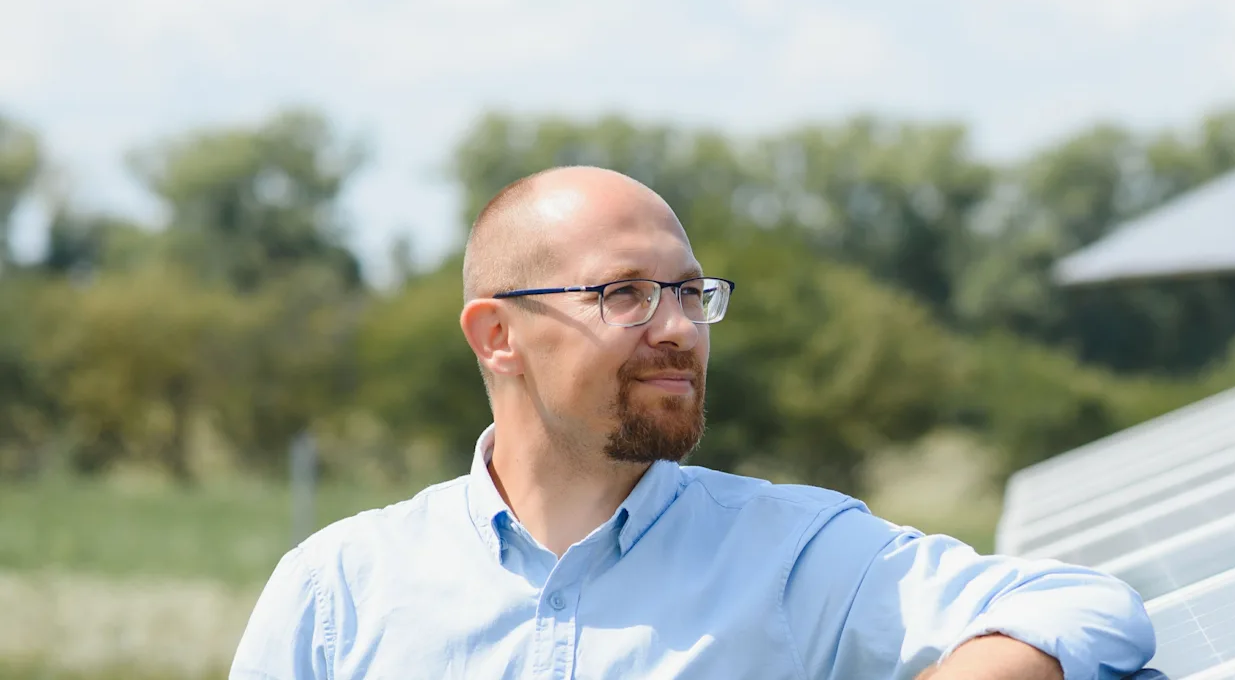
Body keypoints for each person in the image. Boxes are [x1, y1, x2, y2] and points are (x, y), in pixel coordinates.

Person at [229, 166, 1156, 679]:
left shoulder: (796, 557)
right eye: (624, 294)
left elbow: (1085, 609)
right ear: (498, 335)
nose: (677, 328)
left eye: (688, 292)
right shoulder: (339, 593)